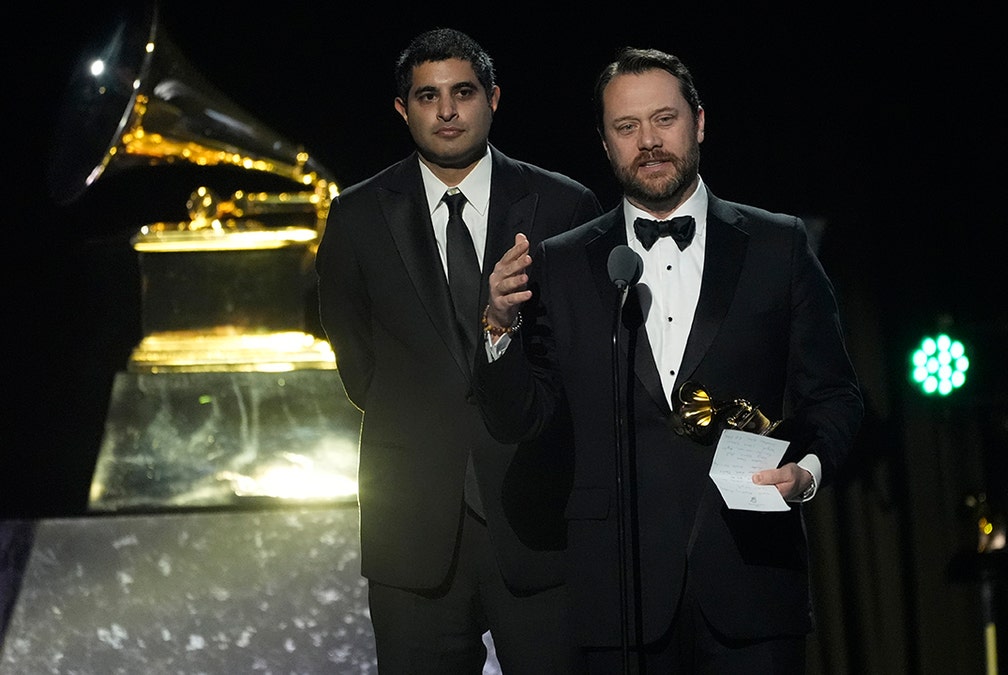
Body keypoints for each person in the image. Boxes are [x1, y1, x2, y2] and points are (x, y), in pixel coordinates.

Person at [473, 46, 863, 672]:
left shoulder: (777, 245)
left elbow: (834, 395)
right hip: (617, 592)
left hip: (751, 578)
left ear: (699, 122)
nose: (648, 141)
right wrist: (498, 326)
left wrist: (808, 471)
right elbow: (517, 419)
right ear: (604, 143)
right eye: (626, 127)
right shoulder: (562, 263)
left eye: (664, 119)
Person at [315, 27, 602, 674]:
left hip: (538, 519)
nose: (446, 111)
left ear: (493, 98)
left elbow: (580, 361)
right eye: (427, 96)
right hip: (412, 529)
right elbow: (357, 364)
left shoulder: (564, 206)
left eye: (463, 92)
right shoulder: (356, 216)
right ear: (402, 108)